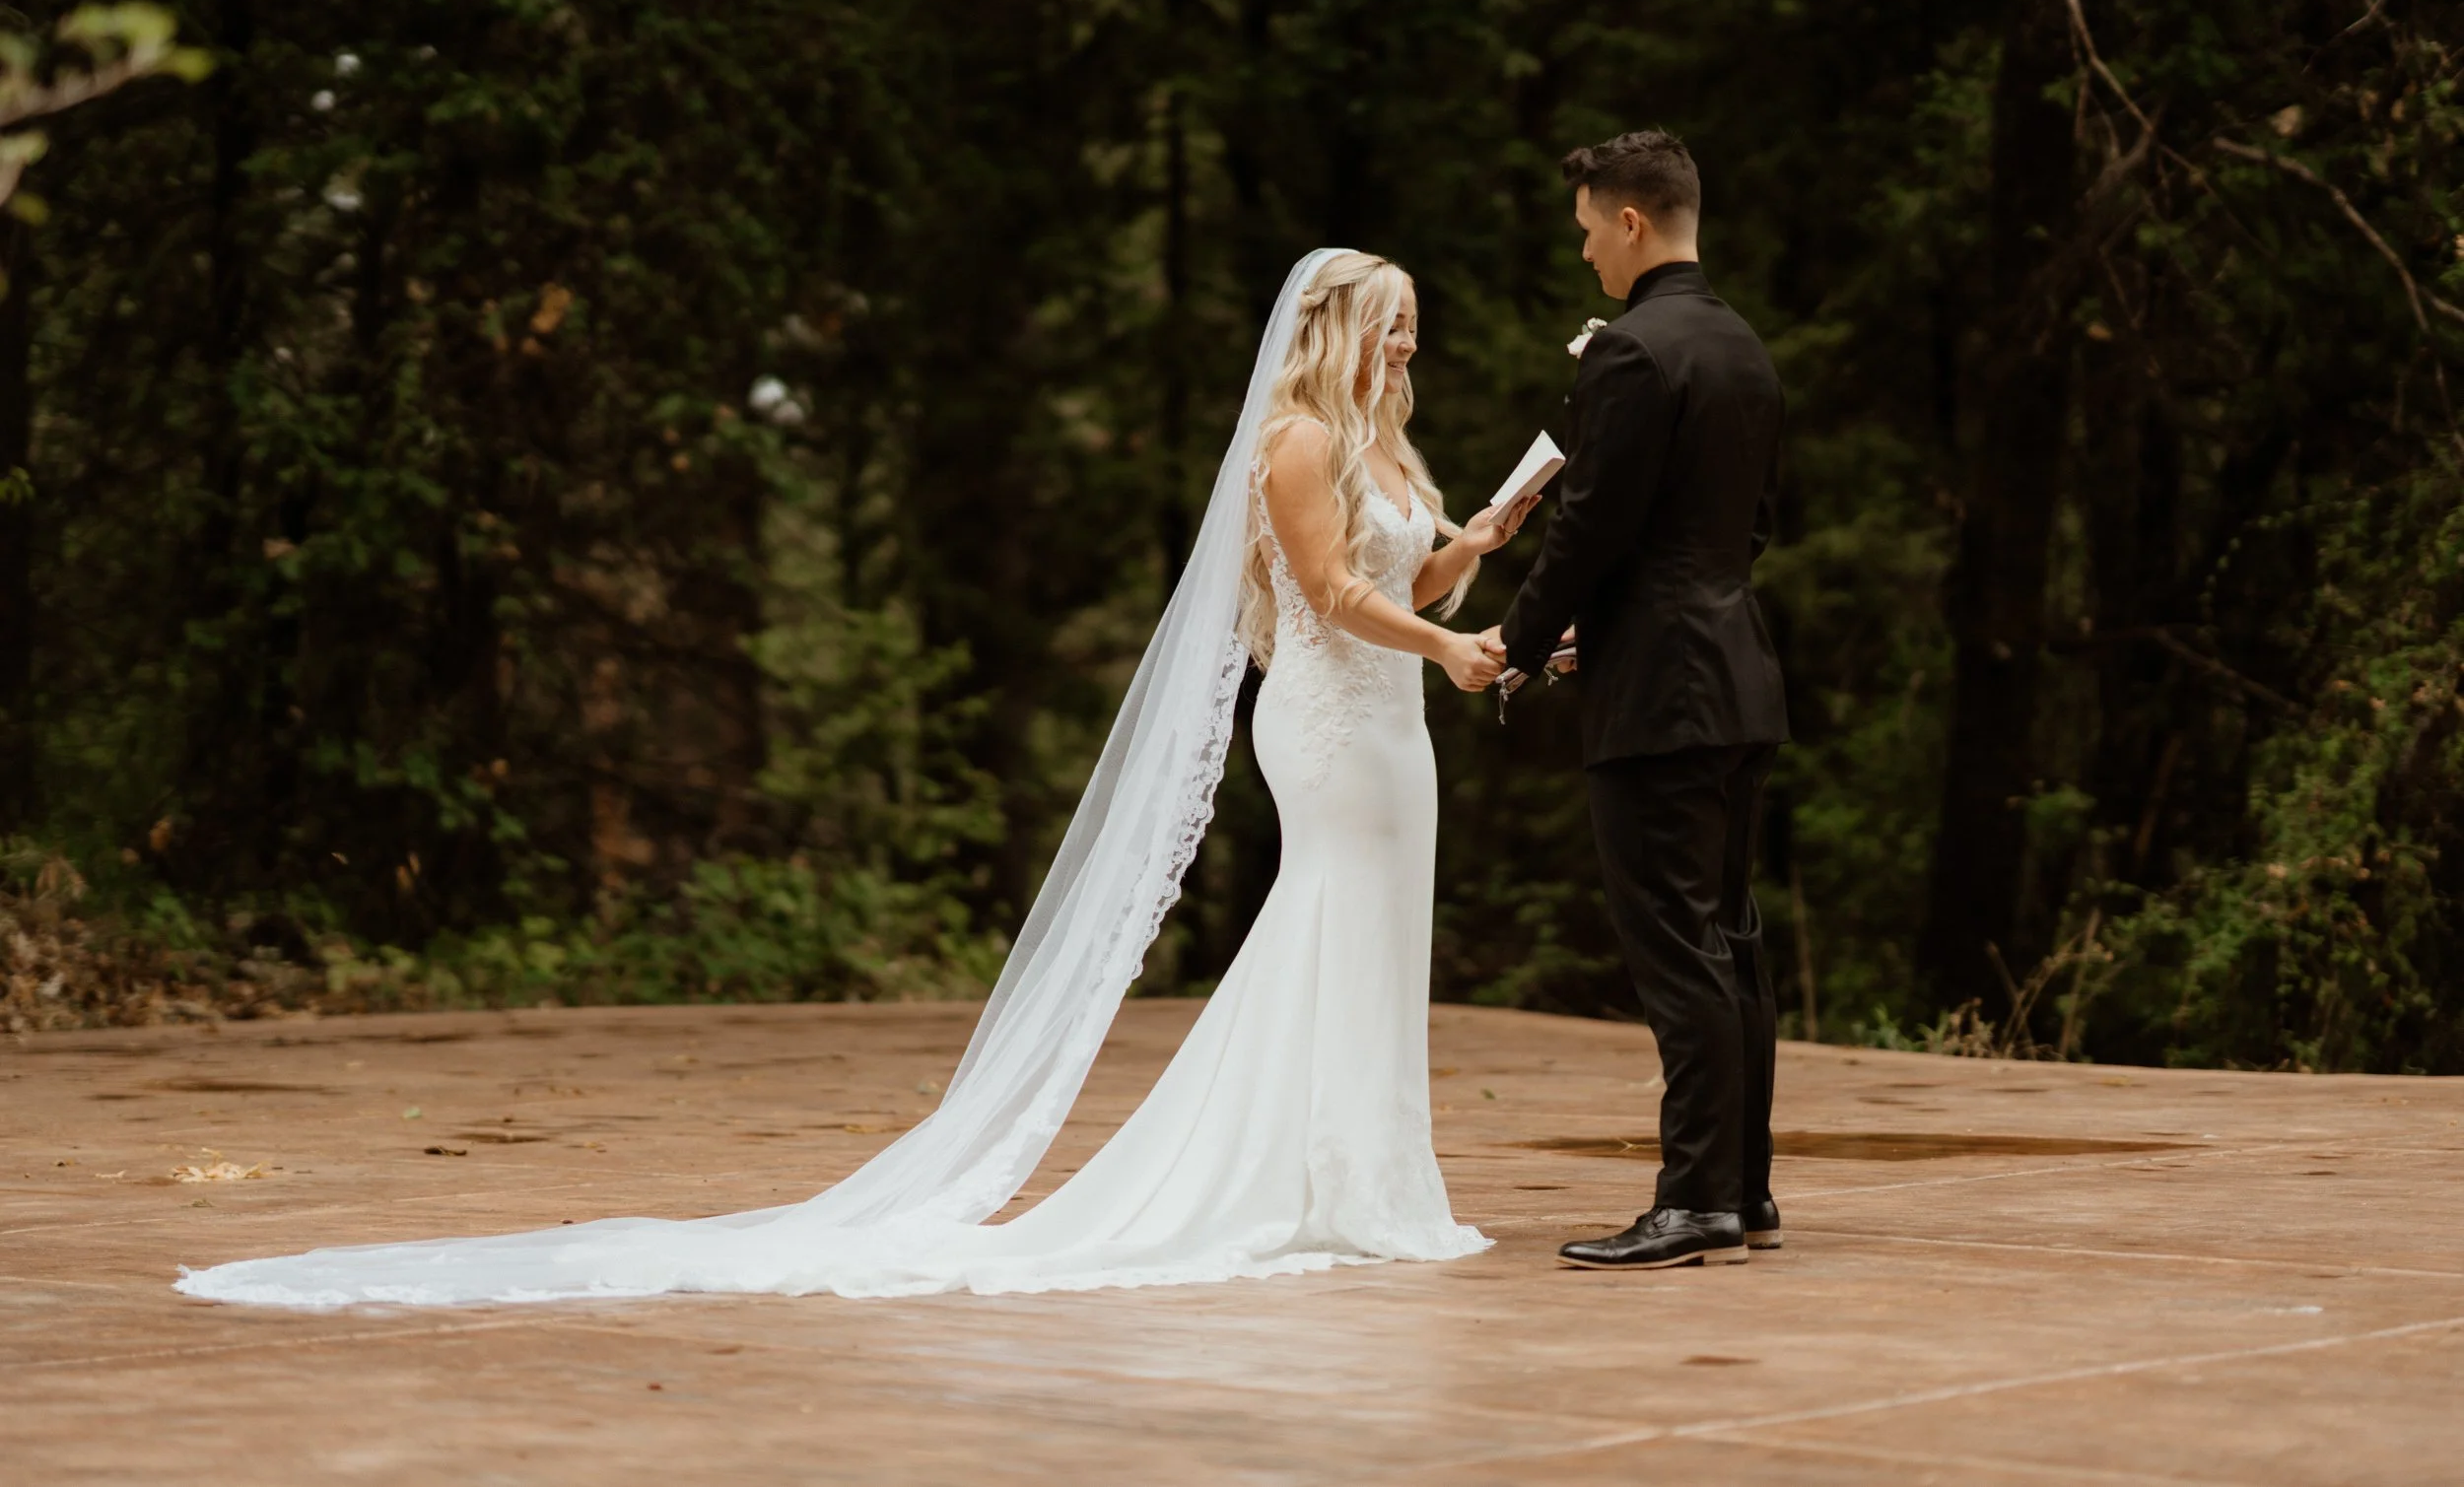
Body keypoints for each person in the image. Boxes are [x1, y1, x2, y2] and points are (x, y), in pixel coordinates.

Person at [174, 249, 1533, 1307]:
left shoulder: (1384, 444)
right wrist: (1450, 642)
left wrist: (1477, 538)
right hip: (1331, 723)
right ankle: (1312, 1179)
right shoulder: (1298, 437)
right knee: (1322, 923)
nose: (1408, 338)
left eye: (1412, 319)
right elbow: (1330, 590)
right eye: (1391, 318)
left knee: (1372, 936)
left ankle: (1366, 1175)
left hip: (1396, 720)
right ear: (1336, 325)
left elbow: (1400, 577)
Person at [1479, 129, 1791, 1271]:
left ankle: (1693, 1199)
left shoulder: (1630, 350)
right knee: (1730, 939)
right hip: (1739, 671)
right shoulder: (1744, 346)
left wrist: (1518, 639)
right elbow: (1746, 526)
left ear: (1629, 221)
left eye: (1585, 233)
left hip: (1660, 693)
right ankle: (1743, 1189)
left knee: (1675, 949)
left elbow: (1590, 523)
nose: (1584, 260)